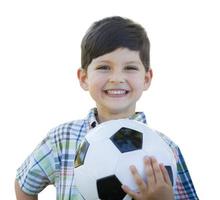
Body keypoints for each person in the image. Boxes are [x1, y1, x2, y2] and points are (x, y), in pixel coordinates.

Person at [15, 16, 199, 200]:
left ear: (146, 79)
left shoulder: (165, 149)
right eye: (104, 67)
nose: (116, 78)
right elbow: (24, 184)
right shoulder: (61, 138)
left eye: (130, 68)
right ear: (84, 78)